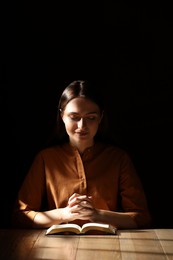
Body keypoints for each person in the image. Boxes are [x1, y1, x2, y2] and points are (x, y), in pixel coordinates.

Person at [12, 80, 151, 229]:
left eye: (90, 118)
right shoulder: (45, 158)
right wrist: (64, 214)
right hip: (58, 247)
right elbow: (21, 215)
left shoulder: (118, 158)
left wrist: (97, 215)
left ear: (101, 117)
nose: (82, 126)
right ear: (62, 116)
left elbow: (141, 217)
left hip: (110, 246)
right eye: (74, 117)